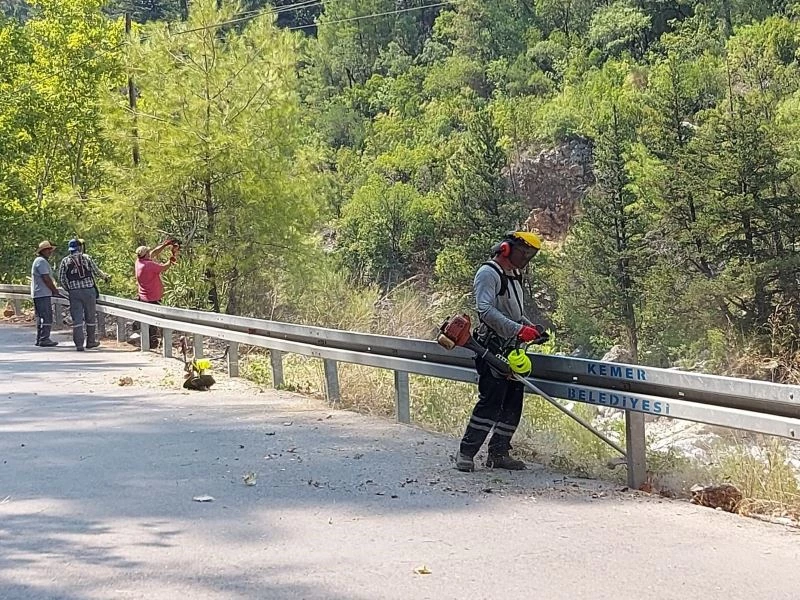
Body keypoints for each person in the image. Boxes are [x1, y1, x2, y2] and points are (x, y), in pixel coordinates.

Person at [456, 231, 549, 472]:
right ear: (507, 249)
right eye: (524, 252)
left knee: (512, 402)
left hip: (512, 350)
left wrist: (528, 328)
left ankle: (498, 453)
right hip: (490, 347)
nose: (526, 258)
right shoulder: (489, 273)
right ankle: (466, 453)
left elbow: (514, 311)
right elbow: (485, 310)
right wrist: (518, 329)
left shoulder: (514, 274)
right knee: (490, 403)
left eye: (530, 254)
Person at [57, 238, 110, 351]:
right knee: (90, 317)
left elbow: (61, 278)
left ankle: (79, 344)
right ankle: (90, 341)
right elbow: (96, 271)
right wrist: (105, 277)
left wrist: (69, 288)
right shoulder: (87, 258)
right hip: (88, 291)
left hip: (74, 292)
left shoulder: (65, 261)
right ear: (79, 247)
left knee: (77, 319)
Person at [135, 240, 178, 349]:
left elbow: (154, 252)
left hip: (143, 297)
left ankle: (146, 340)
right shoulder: (149, 266)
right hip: (152, 297)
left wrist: (165, 245)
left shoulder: (139, 262)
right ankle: (152, 343)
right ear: (146, 254)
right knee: (153, 322)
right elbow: (163, 268)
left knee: (146, 320)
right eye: (148, 252)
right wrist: (171, 259)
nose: (150, 253)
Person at [31, 241, 61, 347]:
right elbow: (46, 278)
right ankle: (44, 338)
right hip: (42, 293)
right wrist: (54, 290)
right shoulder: (41, 262)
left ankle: (40, 338)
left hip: (39, 293)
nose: (50, 252)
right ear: (43, 251)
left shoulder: (40, 261)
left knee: (41, 317)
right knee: (47, 316)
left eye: (50, 250)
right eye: (48, 250)